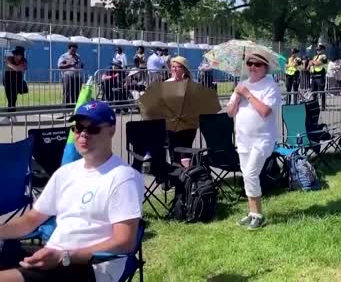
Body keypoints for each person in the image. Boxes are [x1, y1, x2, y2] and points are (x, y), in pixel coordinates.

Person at [0, 100, 144, 282]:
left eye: (93, 129)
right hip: (52, 255)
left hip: (93, 266)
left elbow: (124, 242)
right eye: (78, 128)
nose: (83, 134)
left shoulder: (123, 177)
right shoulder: (65, 173)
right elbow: (31, 220)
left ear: (111, 130)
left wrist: (65, 256)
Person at [227, 51, 282, 230]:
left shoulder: (270, 86)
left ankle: (258, 214)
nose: (252, 67)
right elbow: (229, 112)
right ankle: (252, 212)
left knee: (251, 173)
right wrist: (236, 96)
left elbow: (266, 112)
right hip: (243, 138)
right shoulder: (242, 84)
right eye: (250, 63)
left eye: (257, 64)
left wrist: (248, 95)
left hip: (262, 139)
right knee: (247, 175)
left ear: (265, 67)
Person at [165, 56, 197, 165]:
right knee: (173, 151)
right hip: (172, 124)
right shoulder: (168, 83)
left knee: (185, 151)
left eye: (177, 67)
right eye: (172, 66)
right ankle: (177, 177)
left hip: (187, 125)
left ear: (184, 69)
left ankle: (188, 176)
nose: (173, 69)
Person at [1, 46, 28, 124]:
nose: (16, 56)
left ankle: (10, 116)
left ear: (21, 55)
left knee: (13, 99)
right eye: (15, 54)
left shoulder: (24, 61)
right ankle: (12, 116)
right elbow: (10, 65)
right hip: (7, 80)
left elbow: (20, 68)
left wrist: (12, 66)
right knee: (10, 99)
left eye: (18, 54)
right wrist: (13, 66)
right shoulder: (9, 58)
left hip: (16, 82)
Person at [309, 44, 328, 110]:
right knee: (314, 92)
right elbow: (310, 64)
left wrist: (312, 62)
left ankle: (323, 106)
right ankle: (315, 105)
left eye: (319, 49)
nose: (318, 51)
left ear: (323, 50)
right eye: (317, 49)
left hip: (320, 76)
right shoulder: (315, 57)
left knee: (321, 92)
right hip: (314, 76)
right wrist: (312, 62)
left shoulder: (324, 56)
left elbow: (318, 63)